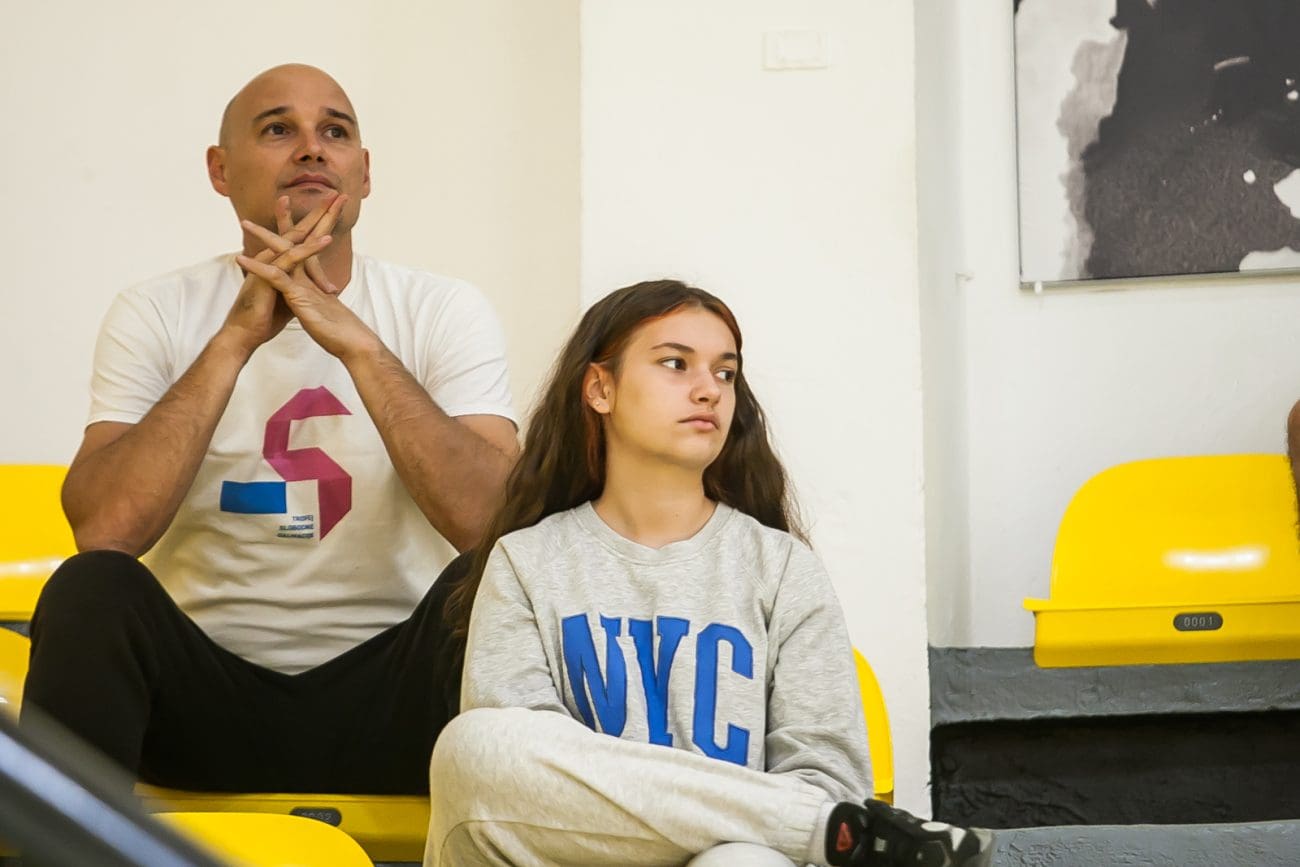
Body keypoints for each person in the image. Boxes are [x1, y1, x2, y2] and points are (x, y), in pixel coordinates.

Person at [21, 64, 519, 795]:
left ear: (364, 173)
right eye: (279, 128)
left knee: (494, 583)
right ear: (220, 170)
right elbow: (105, 529)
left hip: (398, 704)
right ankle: (62, 841)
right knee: (90, 588)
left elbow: (494, 525)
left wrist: (358, 346)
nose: (312, 148)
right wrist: (235, 339)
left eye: (335, 132)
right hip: (202, 708)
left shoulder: (442, 308)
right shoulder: (155, 310)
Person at [424, 281, 992, 866]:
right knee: (475, 745)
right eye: (675, 364)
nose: (709, 390)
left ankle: (817, 831)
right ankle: (824, 831)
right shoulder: (526, 561)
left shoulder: (782, 569)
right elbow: (524, 782)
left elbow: (827, 780)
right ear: (600, 388)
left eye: (725, 373)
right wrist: (794, 820)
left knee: (745, 862)